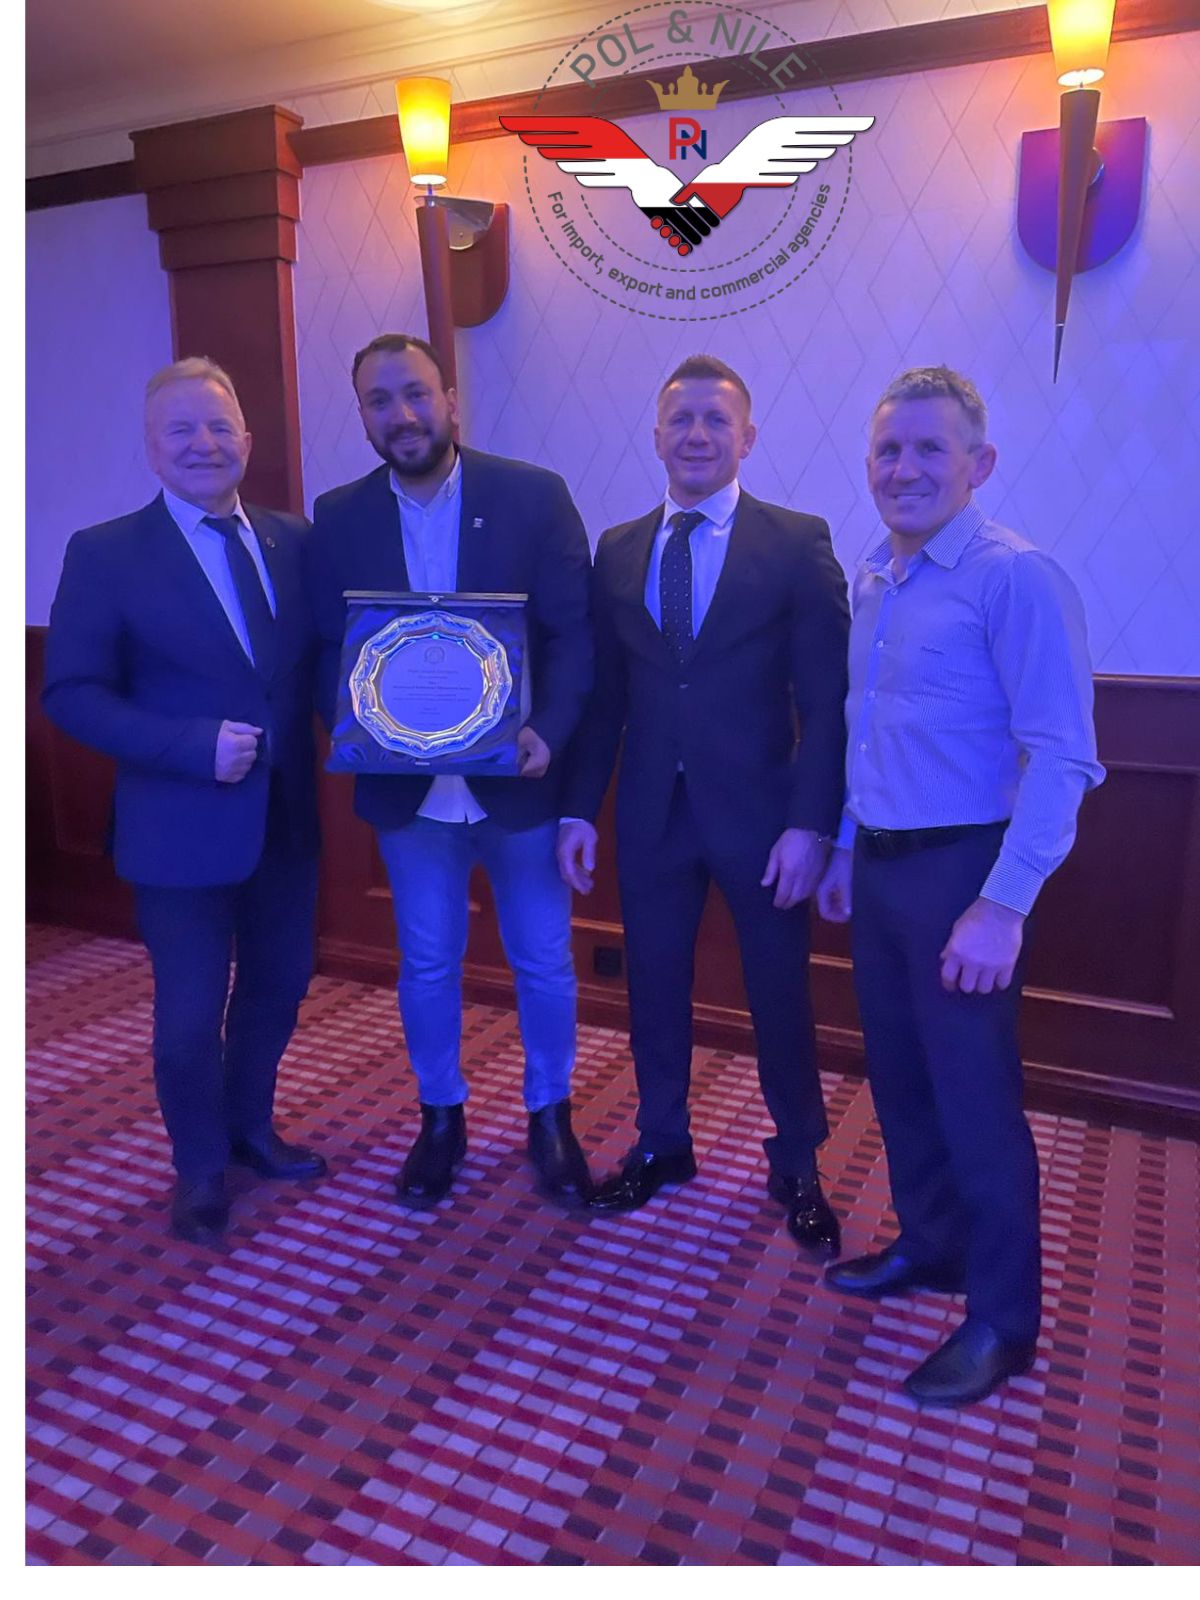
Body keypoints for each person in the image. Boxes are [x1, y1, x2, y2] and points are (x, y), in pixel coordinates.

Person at [817, 365, 1104, 1405]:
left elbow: (1064, 756)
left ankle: (1001, 1321)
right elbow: (867, 732)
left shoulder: (1013, 577)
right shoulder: (874, 576)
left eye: (929, 449)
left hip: (964, 876)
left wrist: (1002, 905)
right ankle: (931, 1245)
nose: (905, 469)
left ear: (978, 464)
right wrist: (845, 846)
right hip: (881, 867)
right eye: (889, 449)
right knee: (900, 1081)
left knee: (977, 1104)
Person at [558, 355, 850, 1254]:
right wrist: (576, 810)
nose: (696, 434)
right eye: (680, 419)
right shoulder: (618, 549)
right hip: (651, 811)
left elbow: (828, 703)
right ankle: (662, 1142)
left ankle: (798, 1162)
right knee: (654, 986)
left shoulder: (795, 542)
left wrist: (812, 825)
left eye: (715, 420)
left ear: (746, 438)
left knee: (778, 995)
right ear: (656, 436)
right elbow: (606, 699)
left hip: (765, 822)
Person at [42, 357, 325, 1245]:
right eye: (181, 429)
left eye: (218, 426)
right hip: (176, 829)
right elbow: (71, 693)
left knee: (278, 990)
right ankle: (200, 1166)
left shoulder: (294, 541)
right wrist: (191, 746)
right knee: (190, 1016)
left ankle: (249, 1128)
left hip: (285, 821)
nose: (203, 443)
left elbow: (320, 668)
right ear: (152, 448)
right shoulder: (105, 553)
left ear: (247, 440)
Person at [307, 334, 594, 1207]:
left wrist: (548, 730)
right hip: (410, 797)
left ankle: (550, 1115)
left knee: (543, 962)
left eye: (415, 394)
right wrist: (360, 729)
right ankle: (442, 1116)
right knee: (427, 964)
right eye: (379, 400)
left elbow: (572, 637)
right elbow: (326, 649)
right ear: (363, 416)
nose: (401, 415)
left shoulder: (532, 496)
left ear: (451, 401)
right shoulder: (339, 515)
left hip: (519, 781)